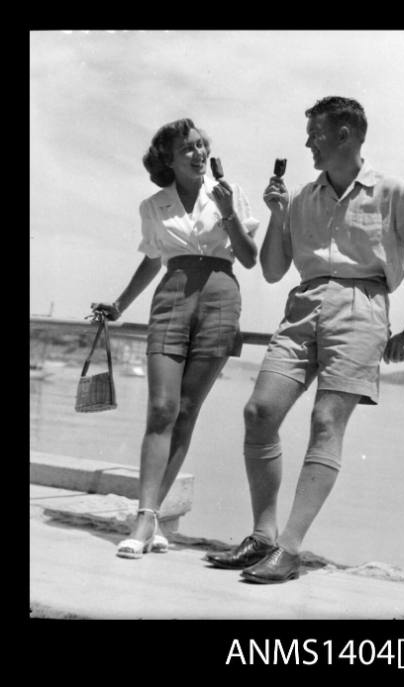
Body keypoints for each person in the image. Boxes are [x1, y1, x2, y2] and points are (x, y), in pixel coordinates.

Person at [205, 96, 404, 583]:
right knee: (259, 412)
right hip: (303, 303)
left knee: (326, 421)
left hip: (363, 306)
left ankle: (290, 550)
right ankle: (263, 536)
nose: (307, 144)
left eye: (314, 134)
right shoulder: (300, 197)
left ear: (344, 135)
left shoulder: (393, 192)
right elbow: (274, 271)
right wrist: (278, 213)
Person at [91, 117, 259, 559]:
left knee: (186, 411)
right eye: (188, 148)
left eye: (203, 145)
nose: (199, 153)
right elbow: (152, 259)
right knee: (162, 407)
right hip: (171, 300)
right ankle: (145, 517)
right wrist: (120, 305)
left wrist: (226, 210)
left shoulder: (230, 193)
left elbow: (250, 257)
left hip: (221, 300)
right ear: (168, 157)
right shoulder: (153, 206)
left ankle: (154, 516)